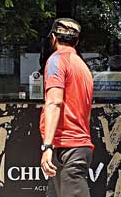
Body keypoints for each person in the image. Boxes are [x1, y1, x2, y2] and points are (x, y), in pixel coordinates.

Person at [39, 18, 94, 197]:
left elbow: (54, 102)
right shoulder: (81, 66)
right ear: (76, 41)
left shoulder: (56, 60)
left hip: (68, 147)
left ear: (53, 38)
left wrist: (46, 146)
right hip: (72, 147)